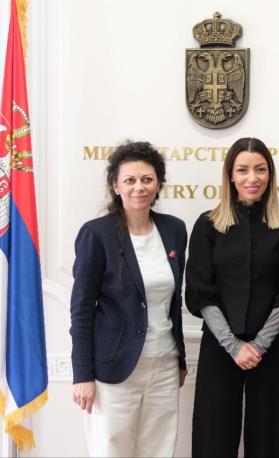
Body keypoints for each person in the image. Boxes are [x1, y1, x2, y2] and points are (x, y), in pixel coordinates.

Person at [185, 137, 279, 458]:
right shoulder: (207, 225)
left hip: (271, 348)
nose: (252, 178)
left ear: (270, 174)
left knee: (271, 440)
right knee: (213, 438)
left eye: (260, 169)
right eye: (243, 170)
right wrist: (234, 346)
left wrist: (258, 345)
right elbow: (201, 291)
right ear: (230, 175)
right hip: (220, 346)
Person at [70, 141, 188, 457]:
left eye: (147, 179)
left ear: (158, 183)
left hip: (164, 365)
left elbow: (174, 301)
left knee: (159, 450)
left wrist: (180, 360)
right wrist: (83, 375)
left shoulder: (175, 230)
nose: (139, 187)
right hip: (113, 370)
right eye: (130, 180)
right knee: (111, 450)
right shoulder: (97, 234)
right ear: (115, 186)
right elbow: (81, 309)